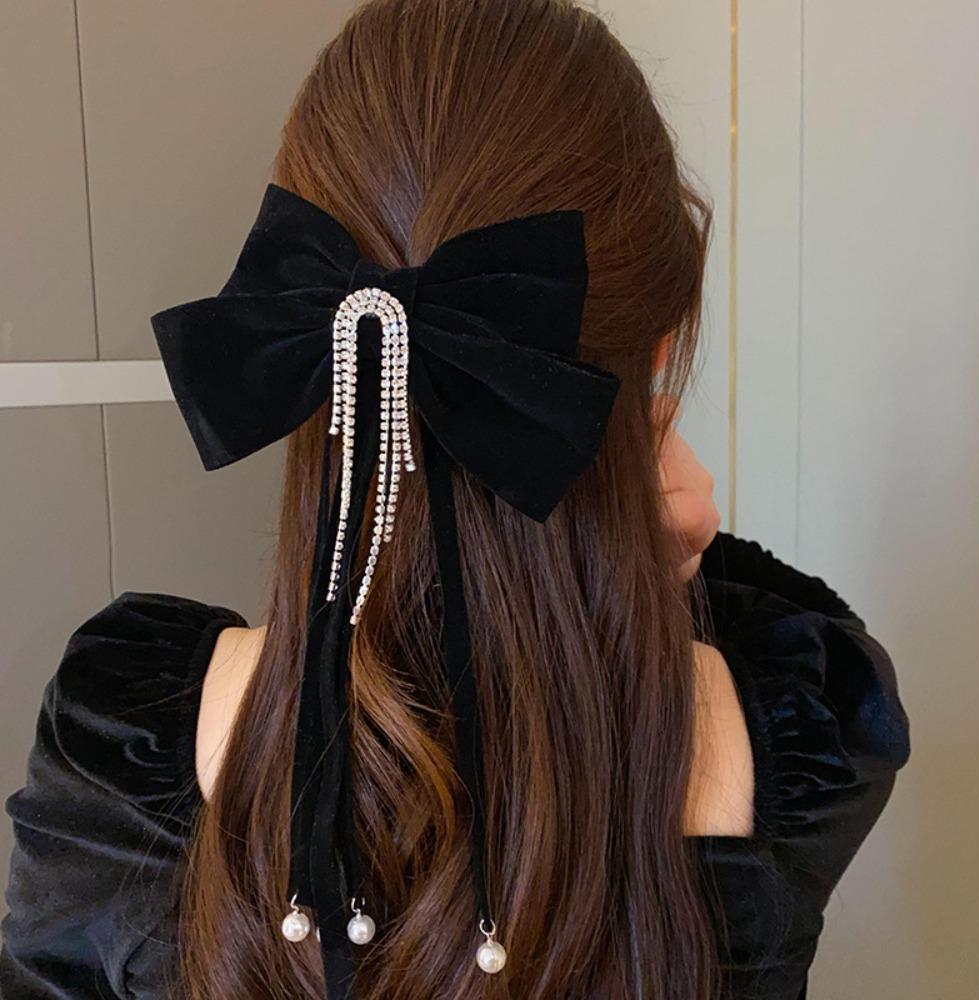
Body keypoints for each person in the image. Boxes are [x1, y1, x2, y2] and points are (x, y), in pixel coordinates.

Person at [0, 1, 910, 998]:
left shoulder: (114, 746)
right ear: (655, 353)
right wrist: (652, 541)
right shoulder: (799, 743)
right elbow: (788, 646)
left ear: (310, 334)